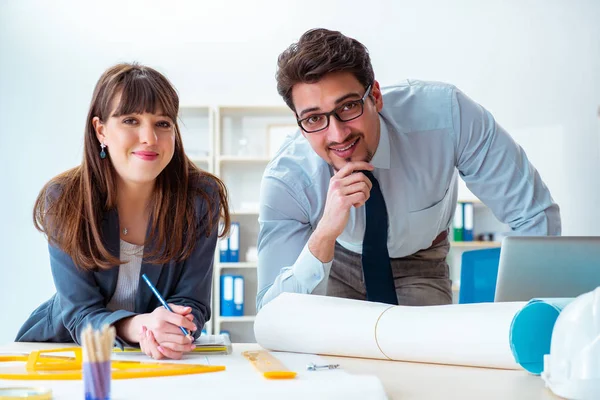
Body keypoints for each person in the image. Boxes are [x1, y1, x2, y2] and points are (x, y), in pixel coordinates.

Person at [256, 28, 560, 310]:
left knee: (428, 361)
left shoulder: (447, 118)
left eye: (348, 106)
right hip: (334, 259)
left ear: (375, 96)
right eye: (313, 119)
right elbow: (270, 309)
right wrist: (324, 233)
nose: (337, 135)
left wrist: (523, 319)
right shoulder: (288, 179)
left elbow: (532, 216)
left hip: (421, 258)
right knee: (334, 363)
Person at [16, 63, 230, 360]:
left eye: (163, 123)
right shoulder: (64, 199)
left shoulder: (200, 199)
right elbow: (80, 313)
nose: (150, 138)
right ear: (100, 130)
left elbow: (192, 301)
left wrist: (176, 328)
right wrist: (139, 326)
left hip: (154, 358)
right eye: (131, 120)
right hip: (65, 349)